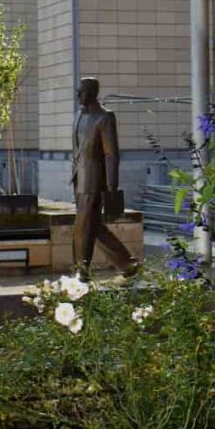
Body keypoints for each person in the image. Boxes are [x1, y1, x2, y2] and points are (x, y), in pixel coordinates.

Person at [71, 77, 138, 278]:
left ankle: (81, 272)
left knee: (83, 225)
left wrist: (111, 185)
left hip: (94, 179)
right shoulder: (79, 116)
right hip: (78, 177)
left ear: (92, 93)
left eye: (81, 91)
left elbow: (111, 154)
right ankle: (127, 264)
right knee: (92, 224)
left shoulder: (105, 117)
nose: (77, 95)